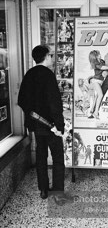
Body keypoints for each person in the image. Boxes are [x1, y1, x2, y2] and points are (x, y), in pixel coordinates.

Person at [18, 45, 67, 200]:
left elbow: (21, 101)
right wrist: (60, 126)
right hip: (51, 126)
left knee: (41, 156)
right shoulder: (48, 75)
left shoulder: (29, 74)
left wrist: (32, 116)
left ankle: (43, 190)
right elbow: (55, 103)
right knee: (58, 158)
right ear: (46, 56)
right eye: (51, 55)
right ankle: (58, 190)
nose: (52, 58)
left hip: (37, 125)